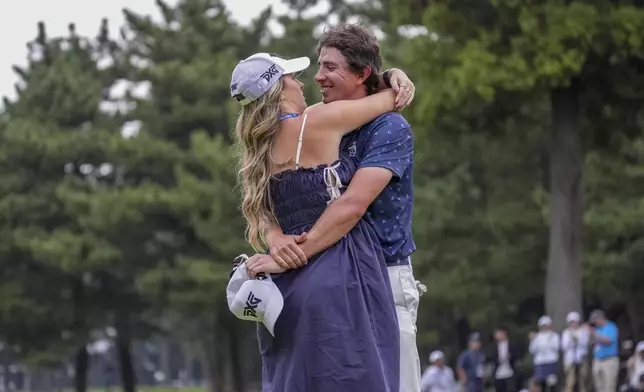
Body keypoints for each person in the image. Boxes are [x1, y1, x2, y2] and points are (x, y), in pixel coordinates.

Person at [252, 24, 424, 392]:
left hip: (386, 276)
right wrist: (275, 235)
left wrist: (289, 254)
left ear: (362, 74)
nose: (318, 77)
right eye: (318, 66)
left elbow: (353, 204)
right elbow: (269, 196)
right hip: (329, 275)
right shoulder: (317, 122)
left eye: (330, 67)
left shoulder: (389, 127)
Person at [590, 309, 620, 392]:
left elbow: (608, 341)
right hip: (598, 359)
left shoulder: (611, 327)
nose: (595, 323)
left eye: (595, 321)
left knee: (609, 386)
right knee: (599, 386)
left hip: (609, 360)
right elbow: (594, 344)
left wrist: (597, 336)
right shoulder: (597, 329)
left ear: (601, 319)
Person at [529, 316, 560, 392]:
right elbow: (532, 350)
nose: (544, 327)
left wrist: (546, 346)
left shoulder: (554, 336)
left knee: (552, 383)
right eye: (543, 325)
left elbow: (557, 347)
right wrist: (533, 340)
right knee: (542, 383)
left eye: (546, 325)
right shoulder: (537, 337)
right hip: (540, 362)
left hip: (551, 361)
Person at [561, 311, 591, 392]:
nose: (573, 323)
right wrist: (571, 340)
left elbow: (585, 343)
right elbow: (564, 346)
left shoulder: (583, 331)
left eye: (575, 321)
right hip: (570, 360)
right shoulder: (566, 333)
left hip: (581, 358)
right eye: (571, 322)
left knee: (583, 379)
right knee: (570, 381)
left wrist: (577, 339)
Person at [491, 326, 522, 392]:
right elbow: (492, 358)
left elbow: (517, 356)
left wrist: (510, 357)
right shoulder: (494, 347)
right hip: (498, 373)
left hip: (510, 372)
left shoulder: (512, 344)